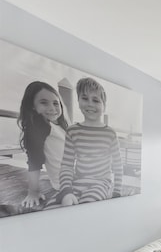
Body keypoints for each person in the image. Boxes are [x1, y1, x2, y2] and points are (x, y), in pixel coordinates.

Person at [57, 77, 123, 206]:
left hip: (101, 182)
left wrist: (117, 192)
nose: (90, 104)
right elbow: (66, 165)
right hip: (77, 181)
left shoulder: (110, 133)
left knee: (88, 204)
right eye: (85, 98)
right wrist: (66, 190)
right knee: (56, 205)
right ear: (78, 100)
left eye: (96, 100)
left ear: (104, 106)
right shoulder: (72, 131)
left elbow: (118, 165)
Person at [17, 81, 69, 209]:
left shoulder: (58, 126)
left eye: (56, 103)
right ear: (32, 106)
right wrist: (33, 192)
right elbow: (34, 161)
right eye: (44, 102)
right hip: (67, 182)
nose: (52, 108)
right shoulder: (38, 126)